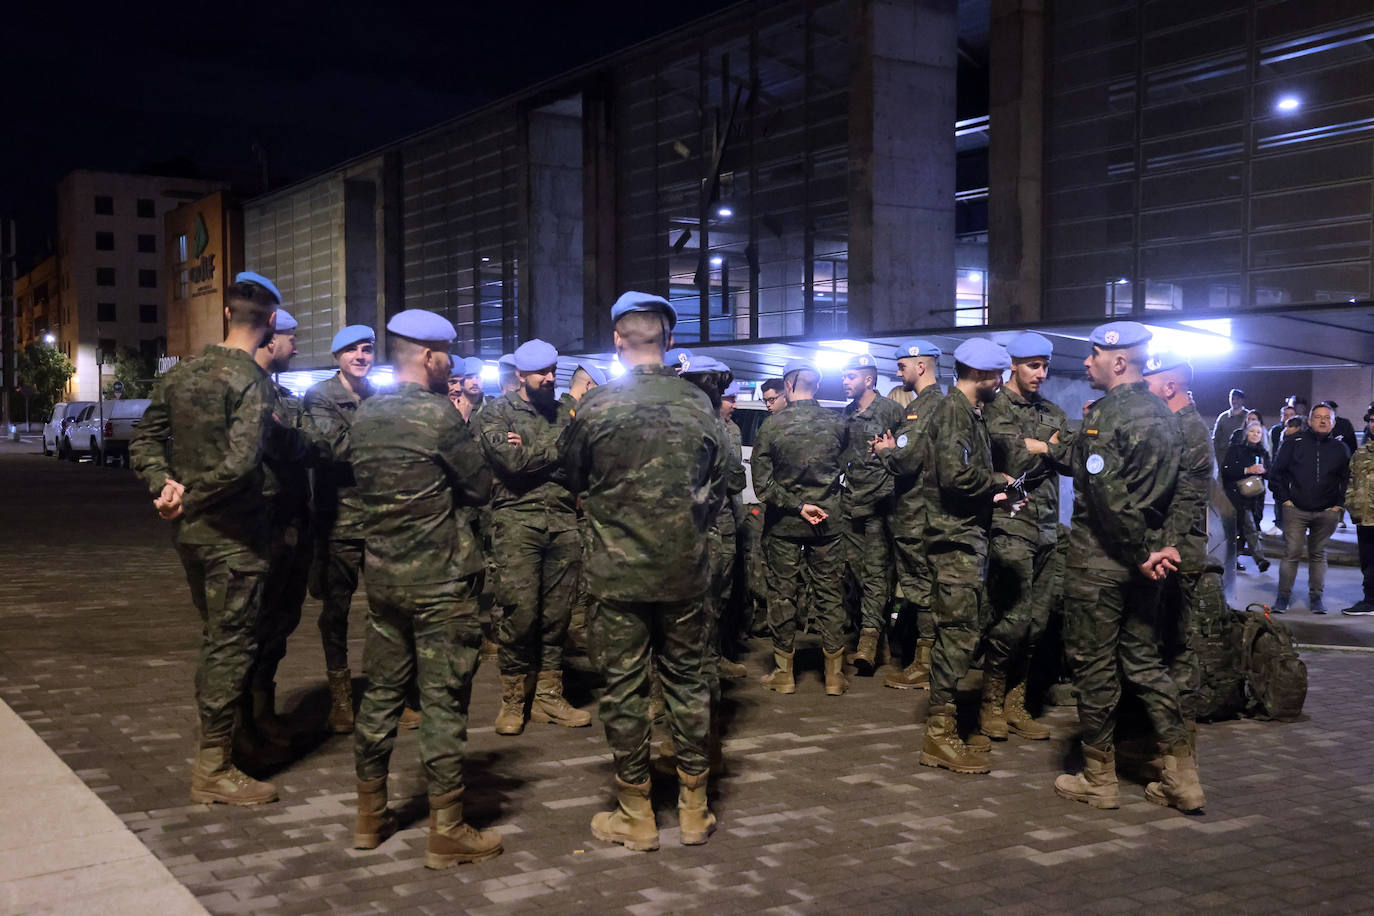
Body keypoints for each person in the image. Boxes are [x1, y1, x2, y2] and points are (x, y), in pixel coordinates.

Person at [130, 272, 307, 805]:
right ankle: (214, 768)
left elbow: (144, 438)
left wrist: (164, 487)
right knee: (228, 649)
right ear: (270, 321)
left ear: (227, 314)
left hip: (192, 536)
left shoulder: (183, 374)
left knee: (219, 641)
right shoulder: (250, 381)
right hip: (237, 537)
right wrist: (189, 496)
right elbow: (240, 463)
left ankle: (236, 742)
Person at [562, 291, 727, 852]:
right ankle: (694, 810)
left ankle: (635, 813)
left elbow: (573, 474)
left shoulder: (598, 406)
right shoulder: (699, 404)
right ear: (670, 340)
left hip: (617, 575)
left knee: (625, 689)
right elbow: (720, 481)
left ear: (617, 340)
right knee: (688, 683)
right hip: (685, 571)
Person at [348, 309, 501, 868]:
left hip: (385, 579)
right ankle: (448, 828)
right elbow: (480, 486)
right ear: (428, 356)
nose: (450, 367)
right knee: (442, 702)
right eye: (446, 358)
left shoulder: (365, 415)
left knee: (382, 696)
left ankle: (369, 816)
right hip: (441, 582)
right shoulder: (440, 418)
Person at [1053, 321, 1204, 814]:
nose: (1086, 363)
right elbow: (1187, 488)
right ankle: (1182, 775)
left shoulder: (1105, 417)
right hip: (1150, 569)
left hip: (1103, 565)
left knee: (1094, 668)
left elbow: (1106, 498)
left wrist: (1140, 550)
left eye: (1093, 355)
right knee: (1145, 663)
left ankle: (1099, 779)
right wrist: (1167, 548)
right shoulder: (1166, 413)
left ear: (1118, 361)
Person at [915, 339, 1016, 775]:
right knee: (957, 635)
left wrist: (997, 492)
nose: (1002, 384)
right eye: (999, 377)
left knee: (962, 631)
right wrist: (999, 479)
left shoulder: (965, 411)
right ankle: (938, 737)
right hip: (954, 542)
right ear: (984, 376)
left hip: (965, 537)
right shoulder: (955, 412)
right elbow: (955, 475)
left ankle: (949, 725)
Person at [478, 339, 589, 733]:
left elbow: (580, 464)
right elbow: (511, 461)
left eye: (552, 369)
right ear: (520, 375)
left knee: (557, 616)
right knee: (519, 614)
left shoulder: (568, 411)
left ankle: (548, 697)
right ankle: (512, 700)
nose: (548, 377)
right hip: (516, 524)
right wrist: (557, 449)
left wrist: (532, 453)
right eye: (540, 372)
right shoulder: (496, 412)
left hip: (562, 522)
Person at [980, 332, 1066, 742]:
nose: (1041, 374)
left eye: (1045, 366)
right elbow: (1011, 453)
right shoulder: (994, 406)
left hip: (1048, 525)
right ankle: (990, 703)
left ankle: (1017, 704)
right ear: (1012, 364)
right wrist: (1046, 447)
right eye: (1033, 365)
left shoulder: (1052, 410)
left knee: (1037, 622)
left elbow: (1075, 459)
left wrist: (1045, 447)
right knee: (1011, 619)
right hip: (1010, 522)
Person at [243, 303, 319, 762]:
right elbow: (286, 443)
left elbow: (305, 443)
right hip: (262, 527)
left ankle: (262, 711)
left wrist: (293, 440)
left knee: (279, 625)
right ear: (272, 340)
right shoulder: (248, 393)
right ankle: (244, 723)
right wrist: (294, 441)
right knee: (253, 628)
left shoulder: (281, 395)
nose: (296, 346)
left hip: (291, 524)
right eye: (292, 338)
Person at [753, 358, 850, 696]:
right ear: (817, 386)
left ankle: (784, 675)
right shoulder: (838, 423)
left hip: (785, 525)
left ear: (789, 386)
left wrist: (797, 505)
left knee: (782, 595)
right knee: (830, 593)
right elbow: (845, 467)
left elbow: (762, 484)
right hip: (828, 522)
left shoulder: (772, 426)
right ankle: (835, 676)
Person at [1141, 350, 1215, 757]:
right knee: (1160, 644)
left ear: (1168, 387)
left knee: (1175, 647)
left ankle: (1176, 746)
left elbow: (1184, 502)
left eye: (1148, 384)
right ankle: (1163, 740)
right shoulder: (1171, 426)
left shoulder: (1189, 430)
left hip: (1176, 555)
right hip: (1167, 552)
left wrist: (1161, 547)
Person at [305, 324, 378, 733]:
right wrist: (386, 441)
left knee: (387, 610)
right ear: (337, 357)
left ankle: (387, 689)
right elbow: (337, 447)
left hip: (378, 521)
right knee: (336, 613)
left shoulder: (375, 396)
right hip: (339, 523)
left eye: (367, 349)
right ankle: (341, 696)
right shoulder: (321, 396)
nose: (361, 356)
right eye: (352, 350)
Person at [876, 340, 944, 691]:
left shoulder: (925, 407)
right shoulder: (946, 404)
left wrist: (886, 451)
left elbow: (906, 460)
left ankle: (924, 664)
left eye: (902, 366)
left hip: (917, 513)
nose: (897, 371)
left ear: (921, 366)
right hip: (931, 512)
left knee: (921, 588)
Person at [838, 353, 904, 673]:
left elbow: (905, 456)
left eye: (850, 376)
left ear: (869, 379)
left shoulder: (892, 411)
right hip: (851, 503)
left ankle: (868, 642)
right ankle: (883, 643)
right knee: (857, 572)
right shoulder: (846, 414)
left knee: (877, 572)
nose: (844, 381)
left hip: (881, 502)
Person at [1270, 403, 1352, 613]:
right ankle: (1283, 598)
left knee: (1318, 554)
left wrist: (1338, 505)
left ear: (1333, 422)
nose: (1323, 421)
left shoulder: (1340, 448)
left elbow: (1347, 479)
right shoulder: (1293, 443)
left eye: (1327, 417)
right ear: (1309, 420)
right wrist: (1285, 500)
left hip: (1327, 512)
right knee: (1292, 553)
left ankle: (1316, 598)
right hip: (1295, 509)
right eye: (1318, 417)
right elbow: (1276, 474)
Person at [1221, 421, 1272, 574]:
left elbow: (1271, 473)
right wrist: (1247, 469)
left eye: (1259, 432)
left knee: (1244, 529)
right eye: (1252, 431)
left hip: (1255, 497)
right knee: (1247, 528)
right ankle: (1260, 559)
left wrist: (1264, 471)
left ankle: (1233, 559)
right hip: (1236, 495)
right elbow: (1227, 470)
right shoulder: (1236, 450)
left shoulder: (1263, 453)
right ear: (1246, 433)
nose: (1255, 435)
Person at [1342, 408, 1374, 616]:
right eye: (1372, 420)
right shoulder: (1361, 453)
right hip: (1365, 518)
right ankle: (1370, 600)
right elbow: (1350, 482)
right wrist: (1351, 503)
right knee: (1368, 561)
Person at [1211, 387, 1247, 468]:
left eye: (1237, 399)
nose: (1234, 401)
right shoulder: (1223, 417)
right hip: (1223, 456)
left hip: (1242, 455)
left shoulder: (1248, 416)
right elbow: (1216, 438)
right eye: (1232, 398)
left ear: (1242, 400)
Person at [449, 357, 486, 423]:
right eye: (469, 377)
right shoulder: (451, 404)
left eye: (478, 377)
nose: (475, 382)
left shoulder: (492, 405)